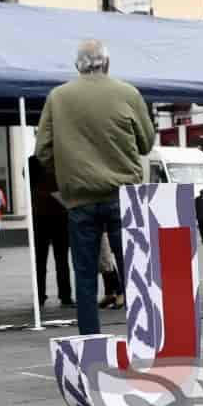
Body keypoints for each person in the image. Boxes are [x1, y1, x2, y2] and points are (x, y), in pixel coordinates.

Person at [35, 38, 155, 337]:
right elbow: (146, 142)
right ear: (108, 63)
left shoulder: (58, 97)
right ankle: (143, 337)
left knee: (85, 276)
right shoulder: (128, 93)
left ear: (78, 65)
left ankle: (90, 340)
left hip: (79, 199)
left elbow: (42, 151)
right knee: (134, 271)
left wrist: (68, 171)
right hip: (123, 196)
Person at [28, 154, 73, 308]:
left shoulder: (60, 159)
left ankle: (63, 295)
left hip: (57, 216)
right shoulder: (35, 162)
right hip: (43, 215)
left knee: (59, 259)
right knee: (44, 260)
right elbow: (28, 180)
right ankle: (42, 295)